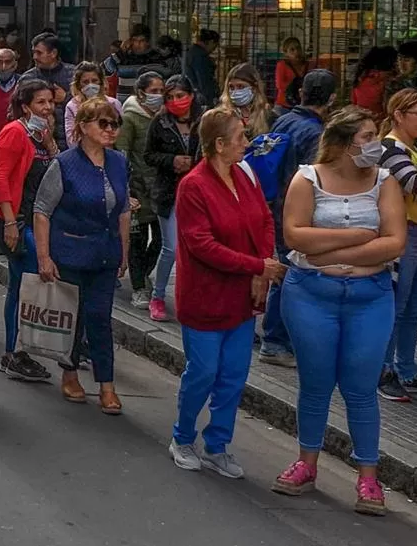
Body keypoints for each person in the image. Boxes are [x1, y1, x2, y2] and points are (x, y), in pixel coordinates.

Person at [273, 106, 404, 515]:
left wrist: (328, 245)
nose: (375, 144)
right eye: (367, 136)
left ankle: (368, 479)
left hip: (371, 296)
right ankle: (306, 464)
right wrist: (357, 237)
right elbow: (294, 235)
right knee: (315, 383)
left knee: (361, 388)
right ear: (347, 144)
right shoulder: (306, 178)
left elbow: (395, 242)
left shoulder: (385, 182)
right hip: (312, 294)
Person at [169, 108, 282, 477]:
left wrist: (263, 260)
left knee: (234, 375)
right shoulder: (193, 186)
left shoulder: (243, 176)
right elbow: (202, 245)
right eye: (240, 138)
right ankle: (182, 437)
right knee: (202, 371)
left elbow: (264, 219)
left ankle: (218, 444)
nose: (246, 145)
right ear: (219, 144)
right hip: (205, 295)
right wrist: (256, 267)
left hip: (241, 297)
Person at [34, 98, 132, 413]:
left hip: (105, 254)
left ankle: (107, 386)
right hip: (71, 253)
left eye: (114, 124)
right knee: (72, 320)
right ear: (83, 127)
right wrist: (44, 256)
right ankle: (70, 373)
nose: (109, 129)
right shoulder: (64, 164)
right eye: (102, 123)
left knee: (100, 318)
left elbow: (124, 210)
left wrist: (124, 252)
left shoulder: (119, 162)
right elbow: (42, 211)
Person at [259, 68, 339, 367]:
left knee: (286, 273)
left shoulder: (284, 120)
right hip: (297, 214)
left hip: (277, 208)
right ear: (331, 98)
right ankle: (276, 341)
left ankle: (277, 338)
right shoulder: (316, 134)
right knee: (291, 276)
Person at [0, 79, 58, 382]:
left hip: (36, 221)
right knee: (24, 283)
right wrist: (9, 223)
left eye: (51, 102)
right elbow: (0, 179)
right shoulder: (13, 133)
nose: (47, 108)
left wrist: (51, 143)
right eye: (41, 103)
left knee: (27, 285)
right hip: (14, 220)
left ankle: (19, 350)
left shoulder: (42, 136)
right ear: (26, 106)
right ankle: (13, 352)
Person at [377, 89, 417, 401]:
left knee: (414, 306)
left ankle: (407, 367)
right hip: (402, 236)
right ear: (399, 115)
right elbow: (413, 183)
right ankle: (384, 369)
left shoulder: (411, 151)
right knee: (397, 306)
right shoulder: (390, 148)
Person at [145, 76, 203, 322]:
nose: (176, 101)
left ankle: (192, 296)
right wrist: (172, 161)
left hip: (198, 195)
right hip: (168, 193)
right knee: (171, 247)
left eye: (180, 95)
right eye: (170, 97)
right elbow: (149, 155)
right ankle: (158, 296)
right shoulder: (160, 122)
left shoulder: (205, 120)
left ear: (191, 95)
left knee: (196, 249)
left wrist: (196, 164)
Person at [117, 71, 166, 309]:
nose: (158, 96)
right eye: (153, 91)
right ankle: (138, 287)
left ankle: (143, 274)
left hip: (160, 188)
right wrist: (125, 189)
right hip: (136, 187)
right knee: (136, 239)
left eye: (161, 91)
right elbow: (122, 152)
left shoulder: (164, 118)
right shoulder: (130, 118)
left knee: (161, 238)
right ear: (141, 93)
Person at [63, 61, 122, 143]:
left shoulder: (114, 104)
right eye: (85, 82)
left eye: (94, 81)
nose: (90, 85)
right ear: (78, 85)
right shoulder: (72, 106)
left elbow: (120, 135)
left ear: (101, 82)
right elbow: (71, 139)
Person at [219, 62, 275, 140]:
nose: (235, 92)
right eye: (231, 87)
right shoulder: (220, 117)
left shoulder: (269, 117)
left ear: (254, 88)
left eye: (241, 86)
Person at [351, 46, 397, 118]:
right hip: (379, 120)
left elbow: (354, 102)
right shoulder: (385, 80)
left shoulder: (361, 77)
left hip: (360, 119)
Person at [182, 29, 221, 108]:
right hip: (200, 97)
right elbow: (204, 80)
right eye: (215, 45)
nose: (214, 49)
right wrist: (210, 101)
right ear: (211, 42)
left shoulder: (192, 52)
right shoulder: (200, 56)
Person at [275, 37, 311, 113]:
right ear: (286, 53)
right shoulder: (282, 65)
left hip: (301, 106)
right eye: (292, 50)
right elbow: (280, 85)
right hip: (284, 106)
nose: (296, 52)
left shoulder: (307, 65)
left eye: (298, 48)